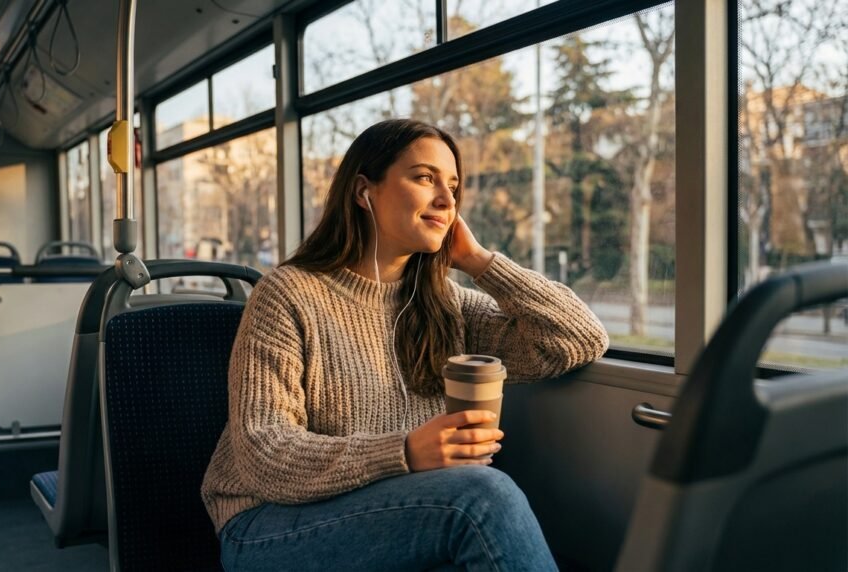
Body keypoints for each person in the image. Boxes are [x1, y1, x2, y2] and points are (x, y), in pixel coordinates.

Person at [201, 119, 609, 571]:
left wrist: (478, 261)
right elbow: (265, 454)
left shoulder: (445, 303)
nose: (447, 200)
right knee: (481, 497)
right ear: (364, 191)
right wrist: (407, 452)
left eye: (453, 186)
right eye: (424, 178)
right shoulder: (289, 293)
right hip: (268, 525)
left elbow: (578, 337)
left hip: (395, 512)